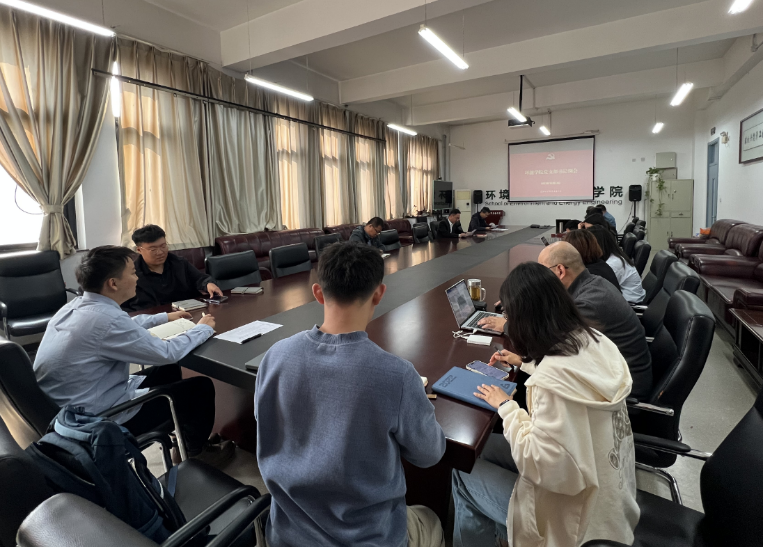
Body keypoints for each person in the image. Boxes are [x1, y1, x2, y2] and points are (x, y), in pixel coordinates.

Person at [255, 242, 446, 547]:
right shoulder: (397, 375)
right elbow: (429, 455)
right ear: (379, 294)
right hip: (368, 538)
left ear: (318, 293)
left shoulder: (275, 356)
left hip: (287, 535)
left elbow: (266, 423)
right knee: (432, 519)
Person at [452, 261, 639, 547]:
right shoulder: (594, 339)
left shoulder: (552, 384)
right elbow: (573, 377)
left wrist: (506, 407)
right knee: (483, 449)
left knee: (462, 470)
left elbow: (540, 465)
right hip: (609, 496)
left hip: (573, 522)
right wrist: (526, 363)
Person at [34, 246, 227, 462]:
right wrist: (203, 328)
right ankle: (197, 456)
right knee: (200, 388)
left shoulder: (77, 306)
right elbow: (167, 352)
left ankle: (182, 439)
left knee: (168, 371)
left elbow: (123, 324)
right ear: (113, 283)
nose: (137, 278)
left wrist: (163, 317)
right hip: (94, 423)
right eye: (133, 273)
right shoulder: (106, 320)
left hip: (71, 408)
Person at [477, 242, 652, 401]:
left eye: (543, 271)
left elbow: (547, 344)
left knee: (515, 395)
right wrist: (523, 362)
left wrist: (509, 323)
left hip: (620, 394)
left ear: (560, 271)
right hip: (606, 378)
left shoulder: (587, 304)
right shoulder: (593, 284)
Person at [122, 224, 223, 311]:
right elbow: (124, 307)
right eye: (153, 249)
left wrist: (208, 284)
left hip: (187, 313)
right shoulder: (131, 273)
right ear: (139, 250)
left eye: (163, 246)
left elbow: (200, 278)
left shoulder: (179, 263)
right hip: (153, 319)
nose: (160, 252)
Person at [588, 226, 646, 304]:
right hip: (625, 299)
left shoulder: (613, 264)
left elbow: (598, 290)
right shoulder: (614, 256)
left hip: (631, 304)